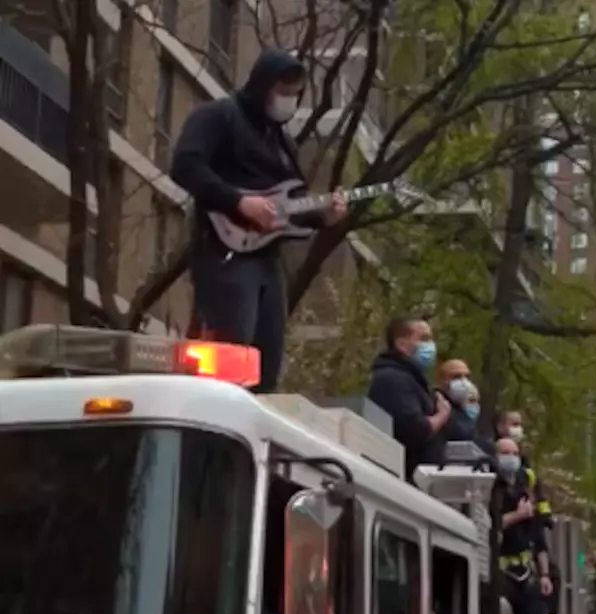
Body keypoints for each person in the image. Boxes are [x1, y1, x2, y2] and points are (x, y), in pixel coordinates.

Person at [170, 49, 348, 393]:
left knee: (265, 366)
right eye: (282, 91)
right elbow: (185, 165)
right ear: (262, 85)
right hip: (225, 252)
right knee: (230, 357)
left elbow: (287, 206)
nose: (288, 101)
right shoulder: (218, 116)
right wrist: (239, 201)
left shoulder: (283, 143)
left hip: (267, 261)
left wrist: (324, 216)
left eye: (295, 94)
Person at [367, 317, 451, 479]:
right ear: (401, 345)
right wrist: (442, 415)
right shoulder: (393, 379)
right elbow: (415, 430)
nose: (431, 346)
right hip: (405, 484)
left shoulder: (412, 380)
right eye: (424, 339)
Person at [494, 437, 552, 614]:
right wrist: (517, 516)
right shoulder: (491, 488)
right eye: (505, 453)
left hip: (526, 574)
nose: (511, 458)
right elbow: (489, 526)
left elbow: (538, 536)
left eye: (515, 453)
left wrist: (544, 574)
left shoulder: (525, 488)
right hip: (500, 573)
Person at [495, 410, 554, 529]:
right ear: (500, 427)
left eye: (520, 425)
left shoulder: (524, 461)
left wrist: (545, 513)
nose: (518, 429)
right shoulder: (491, 458)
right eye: (514, 424)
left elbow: (537, 490)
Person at [436, 359, 494, 456]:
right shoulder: (435, 405)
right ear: (441, 380)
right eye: (456, 377)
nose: (464, 382)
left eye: (467, 377)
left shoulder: (462, 411)